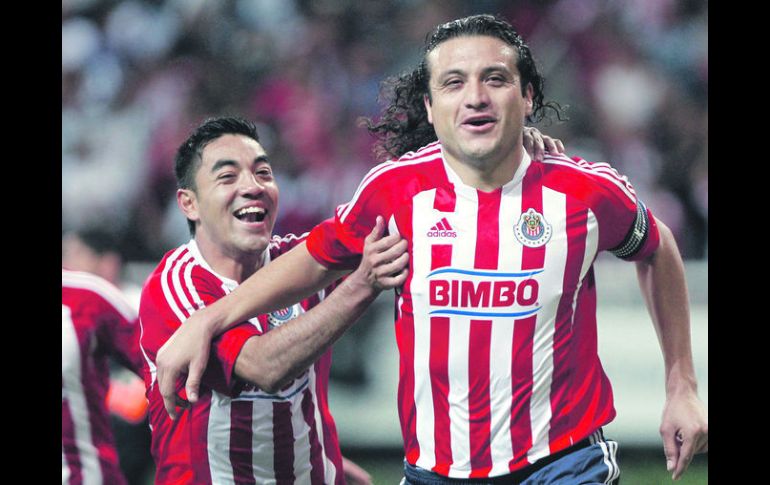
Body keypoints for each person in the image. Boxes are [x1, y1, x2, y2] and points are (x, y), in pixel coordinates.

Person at [155, 14, 708, 483]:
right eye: (454, 82)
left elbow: (656, 247)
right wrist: (209, 321)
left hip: (562, 459)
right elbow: (316, 257)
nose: (476, 96)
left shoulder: (586, 190)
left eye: (495, 78)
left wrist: (681, 383)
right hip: (435, 469)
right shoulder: (392, 191)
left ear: (528, 94)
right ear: (431, 103)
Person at [139, 116, 415, 484]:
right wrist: (361, 285)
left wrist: (332, 462)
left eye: (263, 173)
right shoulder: (175, 285)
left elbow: (389, 219)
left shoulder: (301, 262)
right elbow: (265, 367)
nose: (252, 186)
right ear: (189, 204)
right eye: (227, 177)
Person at [63, 227, 153, 484]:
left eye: (77, 253)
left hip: (88, 472)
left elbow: (164, 372)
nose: (69, 261)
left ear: (108, 262)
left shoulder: (99, 298)